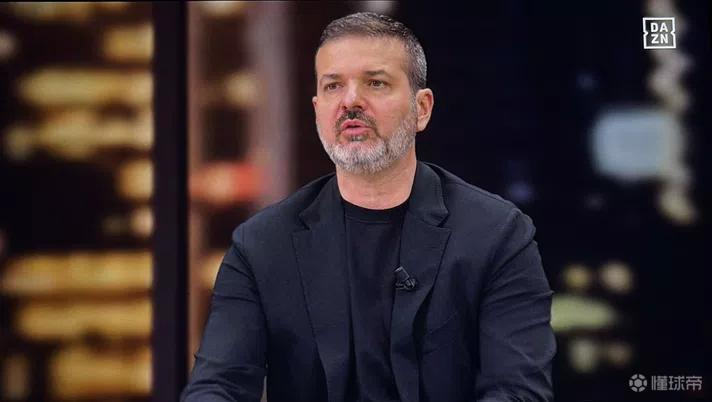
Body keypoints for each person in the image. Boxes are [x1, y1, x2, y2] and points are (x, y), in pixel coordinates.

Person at [182, 12, 556, 402]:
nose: (350, 101)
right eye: (333, 86)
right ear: (317, 110)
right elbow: (218, 386)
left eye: (375, 83)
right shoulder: (261, 245)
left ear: (422, 108)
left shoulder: (497, 236)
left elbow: (518, 392)